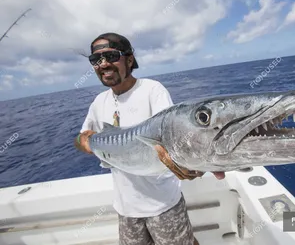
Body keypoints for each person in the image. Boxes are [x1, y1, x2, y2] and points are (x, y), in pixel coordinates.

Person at [73, 32, 225, 245]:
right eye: (96, 60)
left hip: (163, 205)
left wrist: (196, 161)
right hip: (125, 210)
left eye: (111, 56)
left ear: (129, 59)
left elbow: (173, 136)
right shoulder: (99, 103)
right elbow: (80, 139)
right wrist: (85, 141)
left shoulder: (153, 90)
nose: (103, 64)